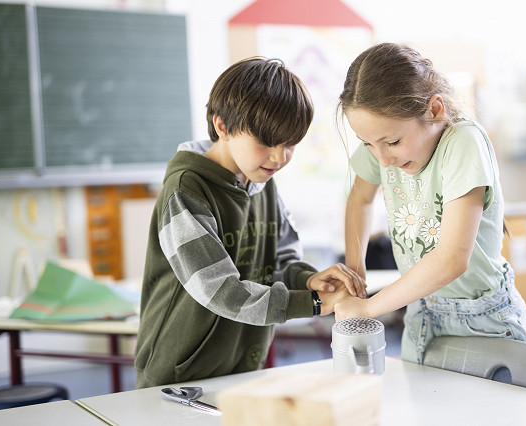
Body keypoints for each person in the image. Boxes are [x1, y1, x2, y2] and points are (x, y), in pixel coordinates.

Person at [135, 57, 366, 388]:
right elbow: (219, 290)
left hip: (241, 367)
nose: (279, 157)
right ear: (222, 126)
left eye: (290, 144)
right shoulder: (187, 189)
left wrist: (311, 281)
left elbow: (281, 260)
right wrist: (312, 302)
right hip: (178, 373)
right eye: (266, 141)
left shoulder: (263, 183)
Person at [333, 43, 526, 365]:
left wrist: (369, 307)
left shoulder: (464, 143)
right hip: (423, 309)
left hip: (483, 317)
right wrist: (356, 271)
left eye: (393, 142)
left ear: (435, 110)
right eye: (368, 145)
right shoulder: (384, 146)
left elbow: (452, 259)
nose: (383, 160)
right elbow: (359, 197)